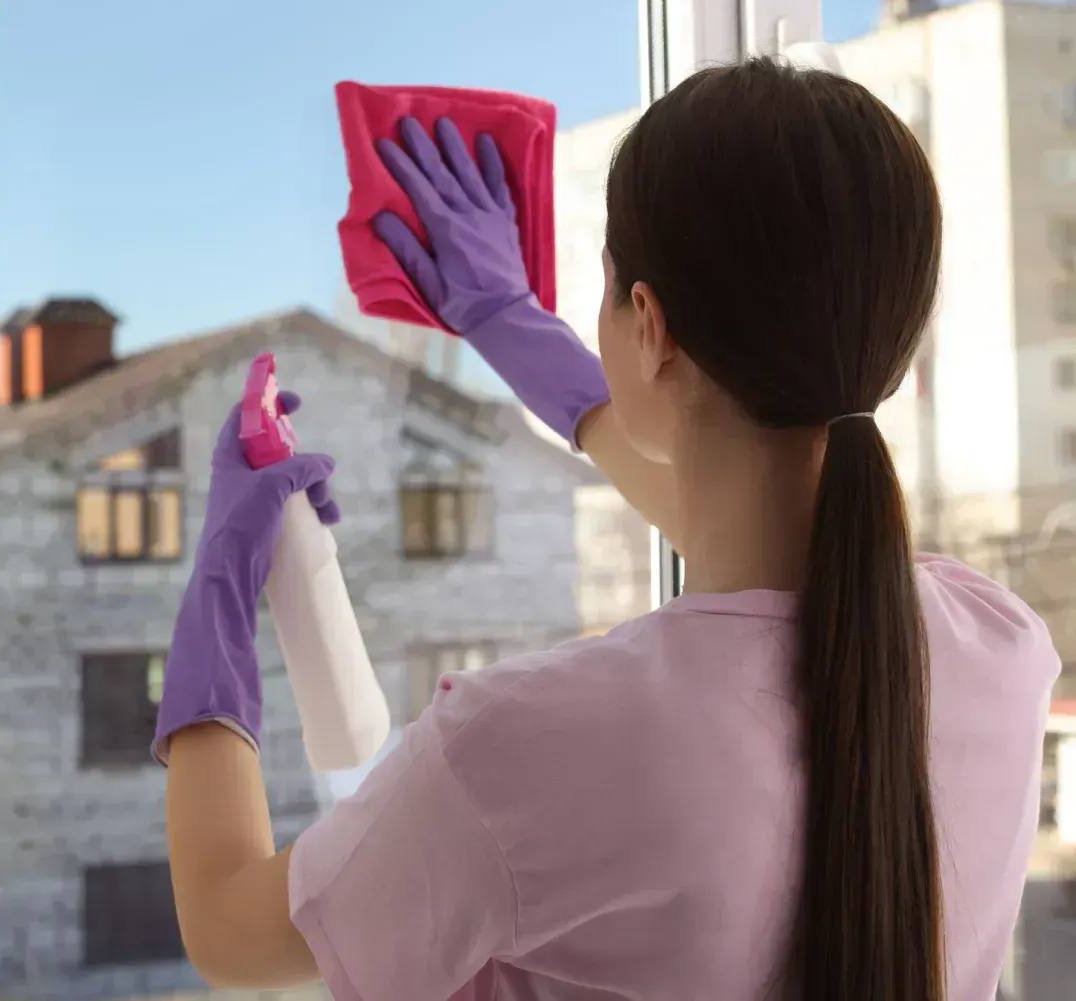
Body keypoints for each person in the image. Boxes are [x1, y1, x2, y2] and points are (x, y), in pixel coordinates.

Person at [150, 58, 1061, 1001]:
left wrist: (220, 583)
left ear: (648, 324)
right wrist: (512, 327)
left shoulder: (522, 748)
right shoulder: (999, 645)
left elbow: (228, 927)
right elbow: (780, 564)